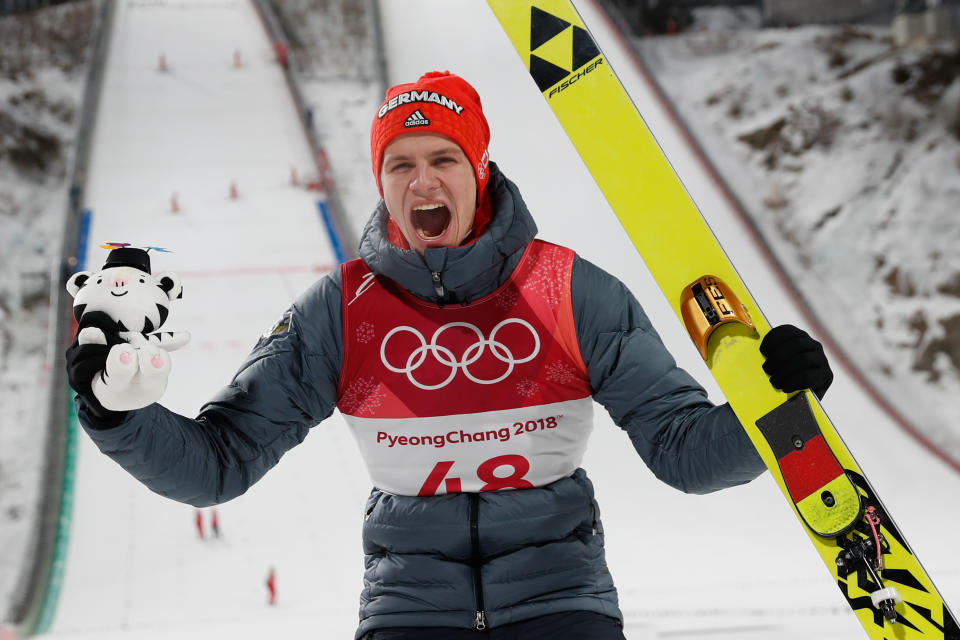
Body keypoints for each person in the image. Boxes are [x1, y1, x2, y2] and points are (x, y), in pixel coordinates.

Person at [66, 71, 833, 639]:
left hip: (562, 599)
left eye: (443, 158)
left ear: (479, 171)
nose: (423, 179)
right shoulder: (341, 310)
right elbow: (218, 462)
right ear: (382, 183)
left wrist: (777, 406)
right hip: (408, 607)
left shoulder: (568, 290)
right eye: (401, 164)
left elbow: (684, 453)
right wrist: (116, 414)